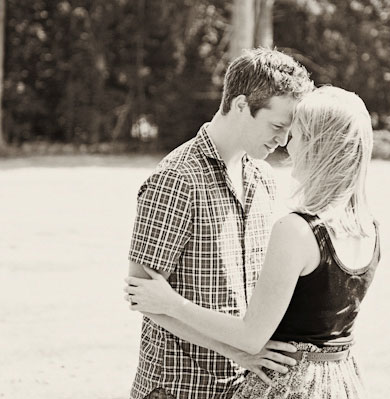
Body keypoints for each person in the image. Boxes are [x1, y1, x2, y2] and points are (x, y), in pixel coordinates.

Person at [125, 86, 381, 399]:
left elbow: (251, 336)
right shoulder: (369, 229)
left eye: (296, 133)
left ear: (318, 145)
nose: (287, 144)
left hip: (291, 385)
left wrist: (172, 303)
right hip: (339, 382)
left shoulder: (296, 230)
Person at [126, 48, 314, 399]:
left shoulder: (263, 177)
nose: (283, 141)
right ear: (241, 105)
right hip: (177, 387)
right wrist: (237, 351)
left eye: (289, 131)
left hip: (242, 385)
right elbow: (143, 297)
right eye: (277, 126)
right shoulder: (176, 178)